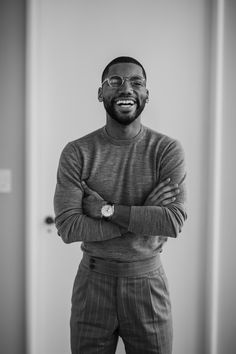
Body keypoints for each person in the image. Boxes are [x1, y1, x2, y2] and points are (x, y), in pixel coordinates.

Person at [54, 56, 187, 354]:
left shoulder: (166, 150)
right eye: (114, 81)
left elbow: (173, 221)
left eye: (136, 82)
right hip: (92, 284)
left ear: (146, 95)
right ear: (100, 93)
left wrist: (106, 210)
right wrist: (143, 214)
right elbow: (67, 227)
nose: (125, 88)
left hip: (148, 286)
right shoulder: (77, 152)